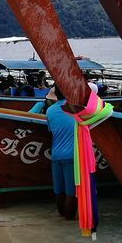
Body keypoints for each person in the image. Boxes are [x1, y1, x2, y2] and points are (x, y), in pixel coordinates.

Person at [30, 89, 78, 217]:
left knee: (59, 190)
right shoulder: (75, 108)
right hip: (72, 155)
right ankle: (68, 221)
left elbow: (52, 130)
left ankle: (61, 218)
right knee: (71, 192)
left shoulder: (50, 111)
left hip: (56, 154)